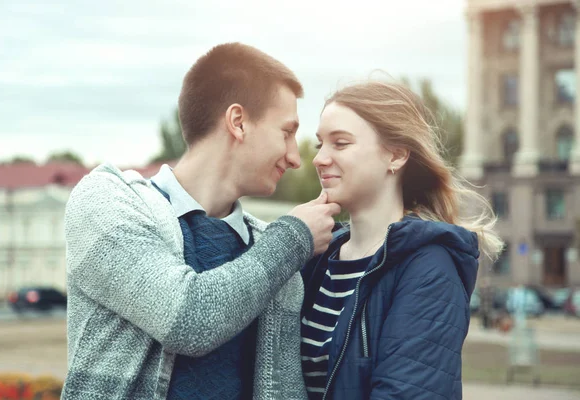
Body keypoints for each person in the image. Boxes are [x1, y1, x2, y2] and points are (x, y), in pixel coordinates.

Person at [62, 42, 340, 400]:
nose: (294, 157)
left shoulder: (270, 249)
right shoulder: (106, 202)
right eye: (286, 133)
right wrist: (295, 237)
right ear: (238, 122)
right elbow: (188, 319)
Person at [300, 80, 504, 399]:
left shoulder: (429, 268)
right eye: (319, 145)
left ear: (395, 155)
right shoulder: (317, 258)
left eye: (340, 143)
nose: (319, 159)